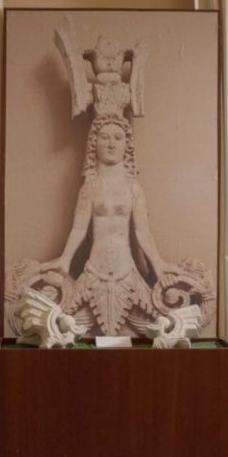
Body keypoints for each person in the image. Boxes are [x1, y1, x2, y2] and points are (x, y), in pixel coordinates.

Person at [40, 114, 176, 336]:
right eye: (104, 137)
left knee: (158, 327)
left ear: (126, 146)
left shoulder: (134, 189)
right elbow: (78, 229)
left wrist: (158, 263)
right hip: (95, 269)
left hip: (126, 269)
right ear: (94, 144)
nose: (111, 143)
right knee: (66, 326)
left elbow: (142, 232)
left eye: (118, 138)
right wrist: (65, 259)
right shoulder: (90, 188)